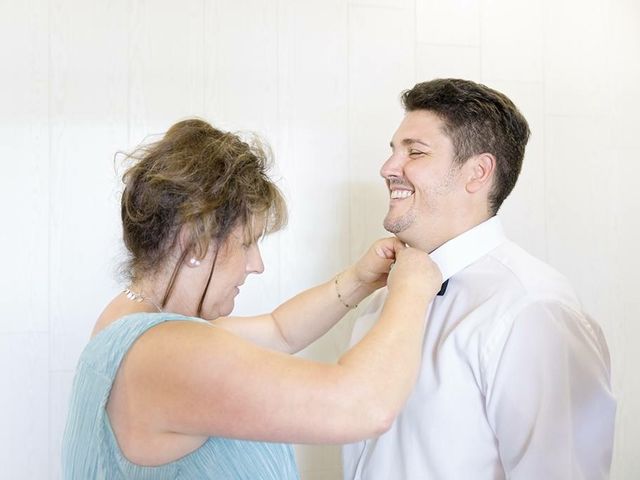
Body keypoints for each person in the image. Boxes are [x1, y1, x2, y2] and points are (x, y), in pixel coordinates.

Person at [61, 118, 443, 479]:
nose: (255, 264)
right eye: (246, 244)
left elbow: (280, 331)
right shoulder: (166, 353)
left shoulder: (127, 322)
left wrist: (359, 280)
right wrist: (412, 290)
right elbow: (362, 406)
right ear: (194, 241)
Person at [343, 79, 616, 479]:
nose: (388, 169)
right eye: (393, 151)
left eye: (414, 152)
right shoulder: (381, 299)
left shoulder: (534, 309)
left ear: (478, 172)